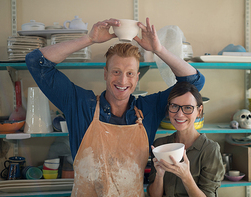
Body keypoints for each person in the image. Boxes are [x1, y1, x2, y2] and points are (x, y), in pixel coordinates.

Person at [26, 18, 205, 196]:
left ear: (137, 77)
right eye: (116, 72)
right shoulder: (80, 104)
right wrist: (89, 39)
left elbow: (193, 82)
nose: (122, 81)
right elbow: (36, 61)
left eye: (130, 74)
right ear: (105, 73)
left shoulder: (149, 109)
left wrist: (158, 50)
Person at [147, 81, 224, 197]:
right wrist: (159, 174)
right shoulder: (160, 144)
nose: (180, 114)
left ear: (199, 111)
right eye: (174, 106)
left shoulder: (210, 149)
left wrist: (185, 176)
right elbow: (154, 195)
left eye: (188, 108)